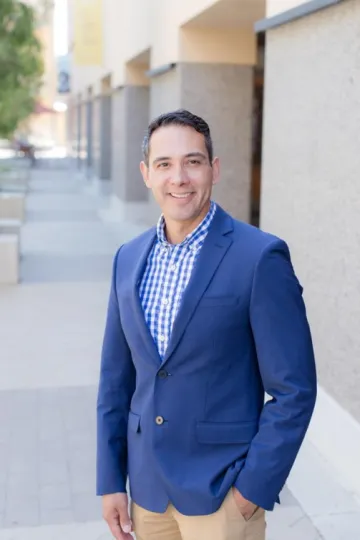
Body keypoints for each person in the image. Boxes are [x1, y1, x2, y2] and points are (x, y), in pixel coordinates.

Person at [96, 109, 317, 540]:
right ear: (146, 173)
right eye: (164, 164)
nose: (179, 177)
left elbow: (295, 389)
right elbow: (114, 381)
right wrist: (110, 480)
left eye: (192, 161)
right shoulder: (128, 259)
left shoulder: (259, 257)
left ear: (213, 169)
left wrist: (251, 491)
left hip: (222, 497)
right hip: (147, 495)